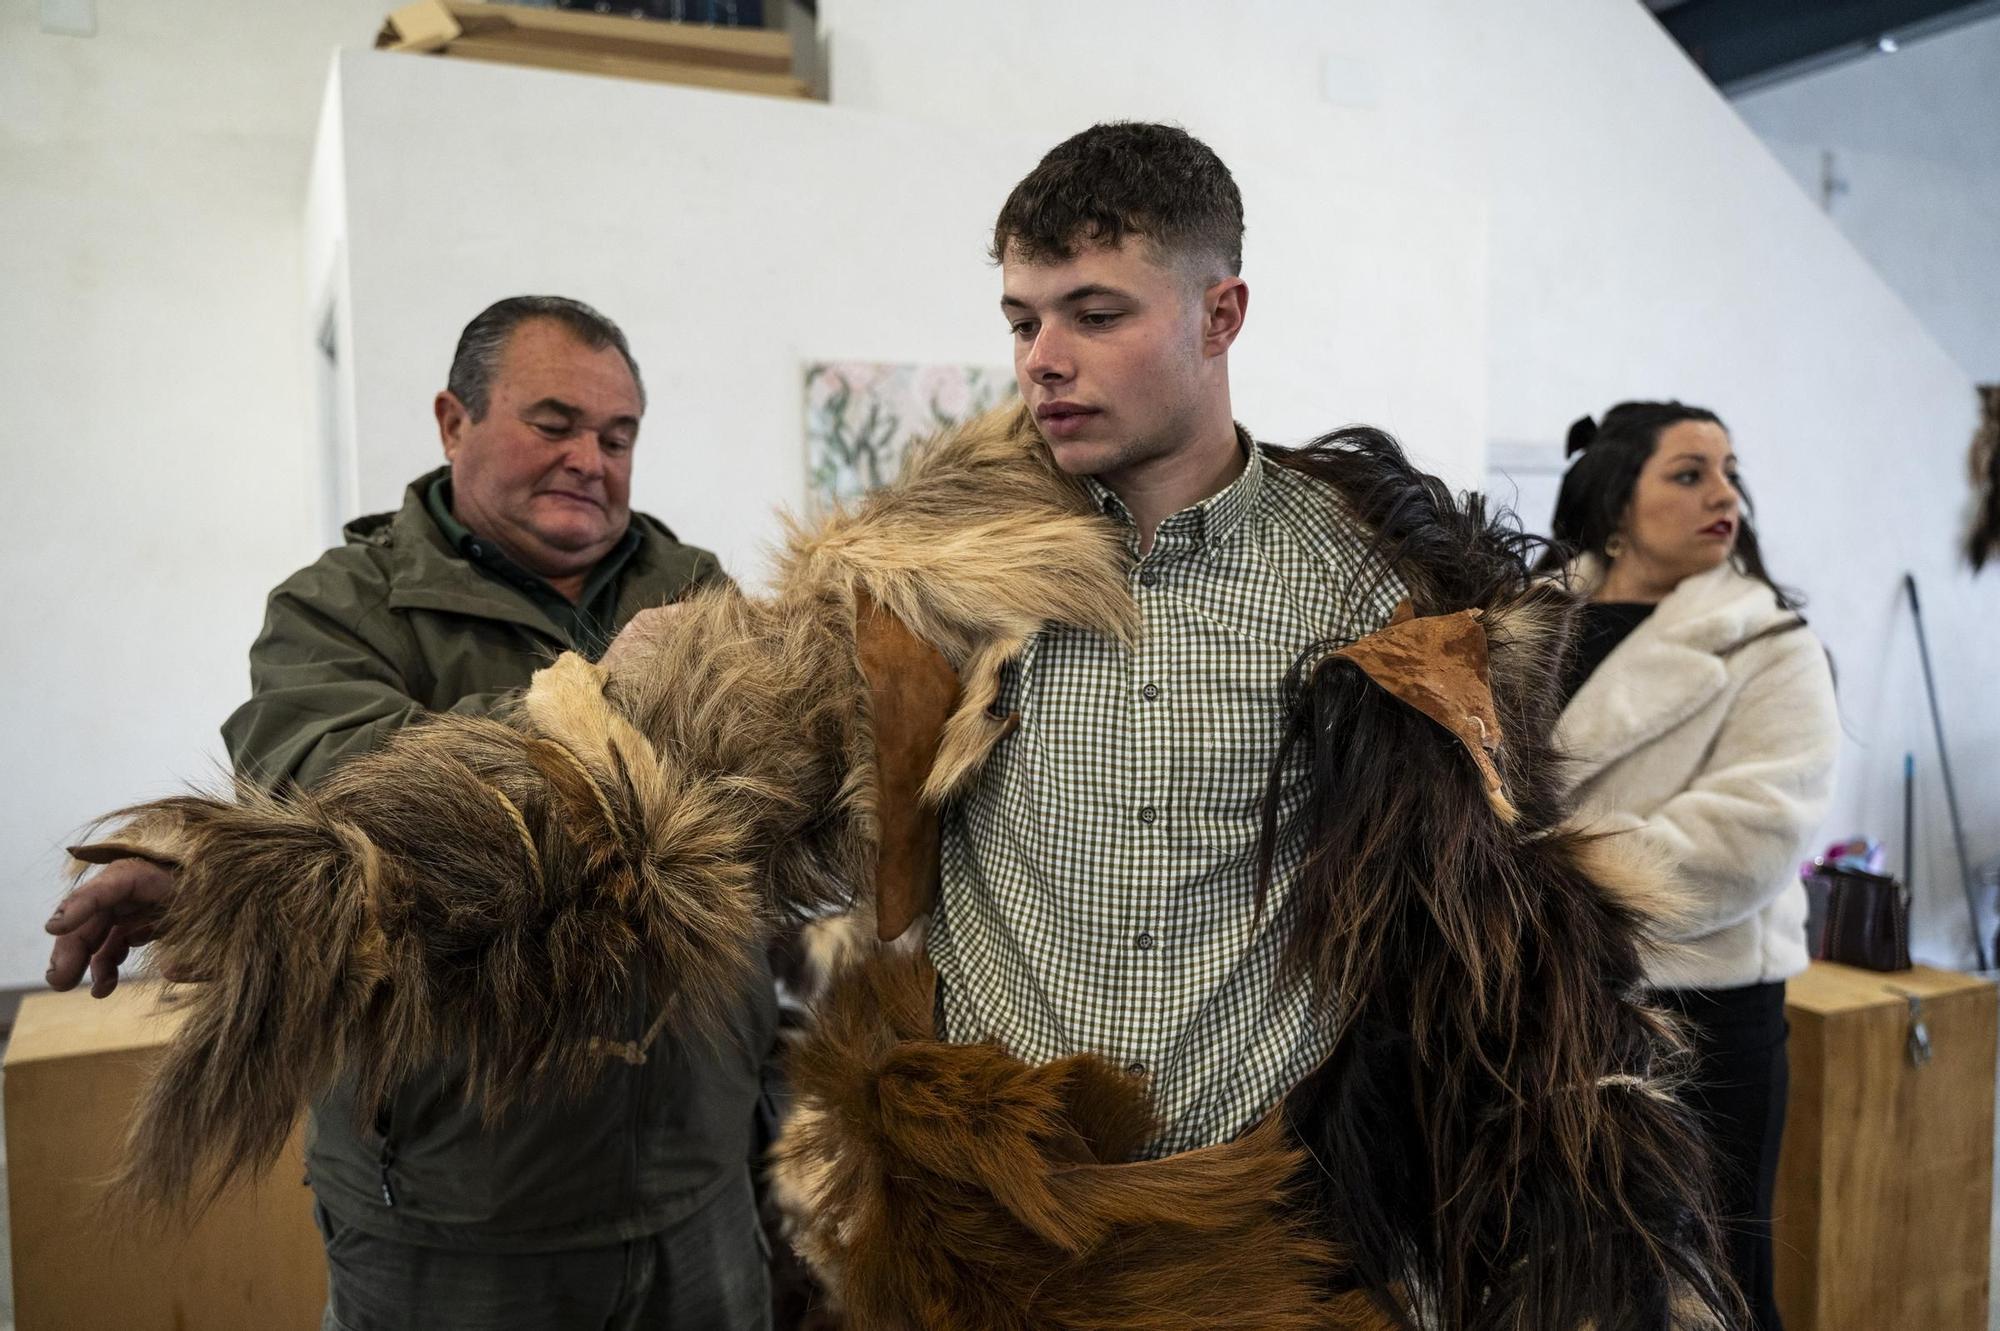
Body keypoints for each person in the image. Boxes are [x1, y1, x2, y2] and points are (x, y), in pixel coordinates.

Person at [46, 295, 776, 1331]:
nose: (590, 459)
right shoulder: (339, 607)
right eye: (555, 421)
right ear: (452, 420)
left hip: (695, 1182)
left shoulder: (696, 588)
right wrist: (599, 697)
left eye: (618, 437)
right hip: (457, 1207)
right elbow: (335, 780)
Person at [1550, 400, 1840, 1331]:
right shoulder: (1528, 624)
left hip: (1702, 1011)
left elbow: (1746, 839)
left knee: (1708, 1280)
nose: (1725, 494)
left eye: (1728, 472)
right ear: (1614, 502)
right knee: (1567, 1269)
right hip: (1553, 1002)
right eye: (1688, 473)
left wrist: (1548, 875)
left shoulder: (1772, 645)